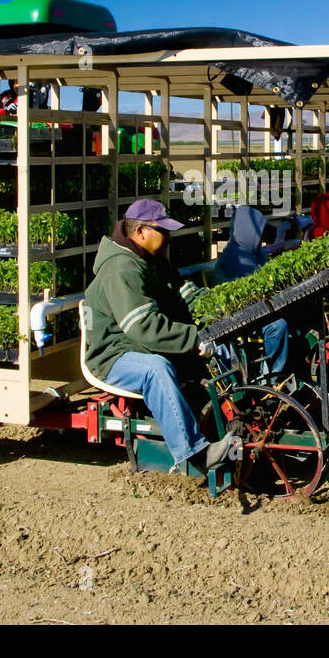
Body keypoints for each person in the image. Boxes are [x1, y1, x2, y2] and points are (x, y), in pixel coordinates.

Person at [83, 199, 240, 472]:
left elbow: (186, 295)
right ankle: (195, 453)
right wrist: (194, 339)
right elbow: (144, 326)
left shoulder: (153, 261)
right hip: (114, 354)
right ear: (140, 232)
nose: (168, 237)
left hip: (139, 345)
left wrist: (224, 311)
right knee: (156, 369)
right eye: (163, 231)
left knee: (219, 344)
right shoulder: (121, 268)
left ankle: (239, 410)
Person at [214, 205, 298, 382]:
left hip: (254, 308)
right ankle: (270, 378)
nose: (261, 237)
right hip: (238, 315)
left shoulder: (251, 252)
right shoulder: (235, 258)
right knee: (278, 326)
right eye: (258, 232)